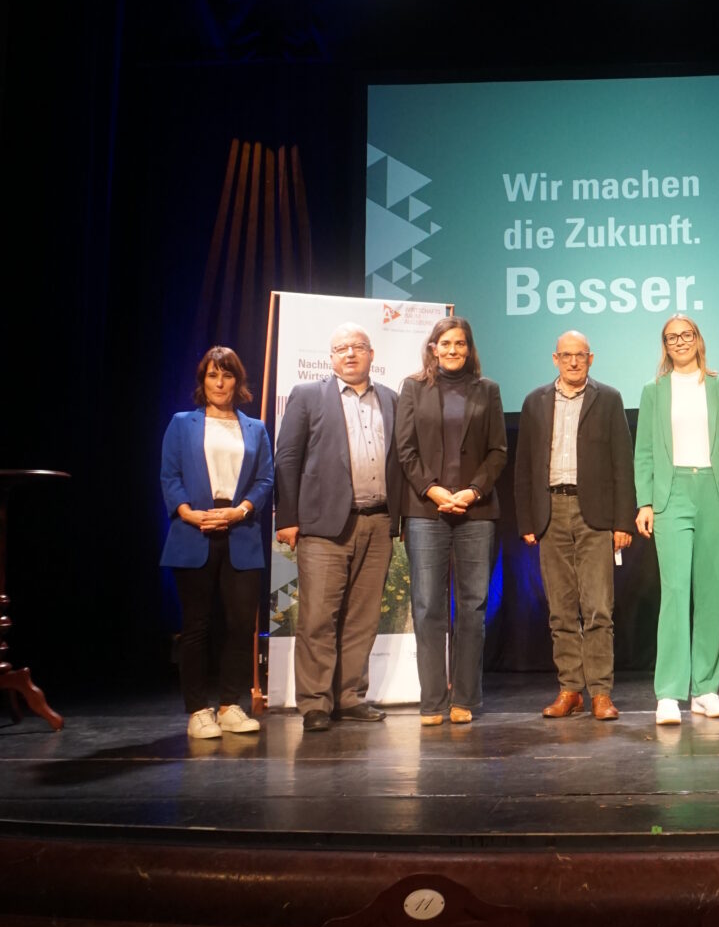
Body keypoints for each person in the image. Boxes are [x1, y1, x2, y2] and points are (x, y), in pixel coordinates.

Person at [274, 322, 402, 733]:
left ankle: (350, 697)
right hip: (324, 526)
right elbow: (287, 458)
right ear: (331, 358)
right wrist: (287, 518)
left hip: (378, 521)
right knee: (318, 617)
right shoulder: (307, 395)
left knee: (363, 617)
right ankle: (315, 702)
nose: (350, 353)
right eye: (341, 348)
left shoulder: (391, 398)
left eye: (358, 347)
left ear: (371, 354)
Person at [634, 317, 719, 724]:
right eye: (672, 338)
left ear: (698, 339)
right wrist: (645, 502)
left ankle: (705, 689)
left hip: (715, 492)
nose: (680, 342)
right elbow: (644, 451)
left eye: (686, 335)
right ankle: (669, 693)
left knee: (710, 592)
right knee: (675, 591)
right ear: (665, 345)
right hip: (672, 493)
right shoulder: (654, 390)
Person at [515, 330, 634, 721]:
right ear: (555, 359)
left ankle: (600, 692)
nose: (573, 361)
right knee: (561, 610)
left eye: (580, 355)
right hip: (550, 511)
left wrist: (623, 521)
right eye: (566, 355)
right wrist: (527, 518)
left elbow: (622, 463)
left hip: (594, 514)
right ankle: (570, 689)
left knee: (598, 608)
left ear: (590, 358)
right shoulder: (534, 401)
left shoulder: (609, 398)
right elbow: (524, 465)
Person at [395, 317, 506, 726]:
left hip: (476, 510)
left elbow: (498, 451)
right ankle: (432, 702)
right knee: (427, 605)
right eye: (445, 343)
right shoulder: (413, 388)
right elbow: (405, 448)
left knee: (473, 607)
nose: (453, 350)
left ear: (469, 348)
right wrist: (433, 490)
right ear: (433, 348)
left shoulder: (488, 390)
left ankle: (465, 698)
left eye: (460, 343)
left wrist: (473, 491)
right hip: (426, 509)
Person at [161, 345, 275, 740]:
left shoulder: (255, 428)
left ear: (237, 381)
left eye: (227, 375)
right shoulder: (182, 423)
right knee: (196, 625)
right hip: (194, 530)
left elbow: (265, 480)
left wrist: (240, 511)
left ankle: (230, 706)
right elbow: (170, 475)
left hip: (240, 530)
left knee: (241, 625)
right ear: (203, 380)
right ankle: (198, 711)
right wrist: (188, 513)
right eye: (213, 375)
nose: (220, 382)